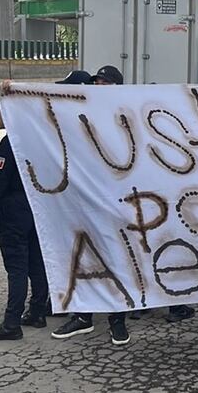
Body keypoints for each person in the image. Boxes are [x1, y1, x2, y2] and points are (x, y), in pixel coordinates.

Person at [52, 65, 139, 345]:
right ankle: (83, 316)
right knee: (83, 257)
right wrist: (11, 93)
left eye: (104, 82)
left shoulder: (124, 116)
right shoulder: (80, 112)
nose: (98, 85)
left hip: (116, 204)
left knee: (116, 260)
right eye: (96, 81)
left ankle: (118, 320)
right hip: (83, 201)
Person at [0, 101, 50, 340]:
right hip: (37, 209)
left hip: (14, 211)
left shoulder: (9, 144)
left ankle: (11, 324)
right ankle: (38, 312)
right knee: (37, 264)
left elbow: (0, 183)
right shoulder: (40, 140)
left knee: (17, 268)